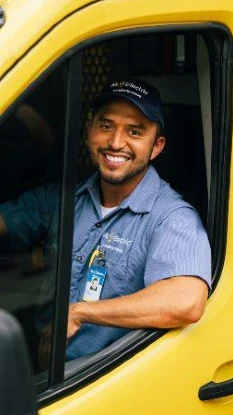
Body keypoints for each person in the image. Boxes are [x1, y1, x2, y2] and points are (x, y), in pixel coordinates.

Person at [0, 78, 211, 362]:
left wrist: (80, 313)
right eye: (106, 126)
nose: (115, 143)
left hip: (97, 379)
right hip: (39, 366)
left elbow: (186, 302)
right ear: (90, 131)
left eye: (134, 132)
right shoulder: (62, 198)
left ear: (157, 146)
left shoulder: (171, 217)